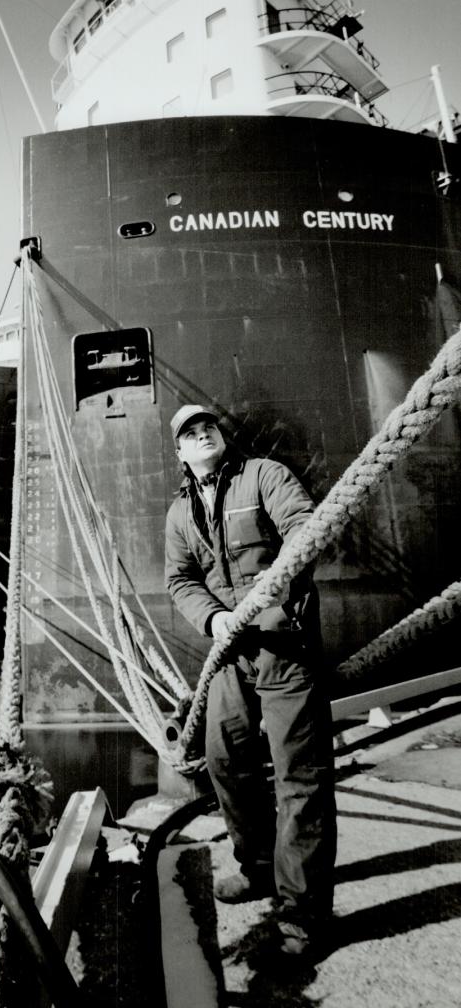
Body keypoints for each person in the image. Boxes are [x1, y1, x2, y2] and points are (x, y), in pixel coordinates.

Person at [165, 404, 336, 959]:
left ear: (220, 436)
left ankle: (301, 917)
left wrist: (274, 591)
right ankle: (258, 866)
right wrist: (214, 620)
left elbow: (303, 529)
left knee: (299, 776)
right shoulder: (179, 513)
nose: (202, 435)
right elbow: (181, 579)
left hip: (284, 646)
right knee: (225, 756)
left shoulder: (264, 475)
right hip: (233, 652)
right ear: (181, 453)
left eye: (208, 427)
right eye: (190, 433)